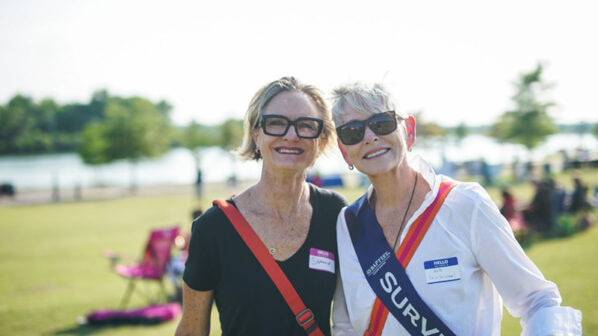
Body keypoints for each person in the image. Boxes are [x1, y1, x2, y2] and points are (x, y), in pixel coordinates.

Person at [329, 82, 581, 336]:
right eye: (352, 132)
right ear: (344, 151)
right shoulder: (349, 223)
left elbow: (538, 301)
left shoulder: (465, 205)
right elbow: (346, 325)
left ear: (409, 131)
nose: (370, 137)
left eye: (382, 123)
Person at [175, 77, 347, 336]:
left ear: (321, 140)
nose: (291, 135)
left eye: (306, 125)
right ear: (256, 134)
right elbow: (191, 331)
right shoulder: (213, 228)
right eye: (276, 123)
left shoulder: (336, 213)